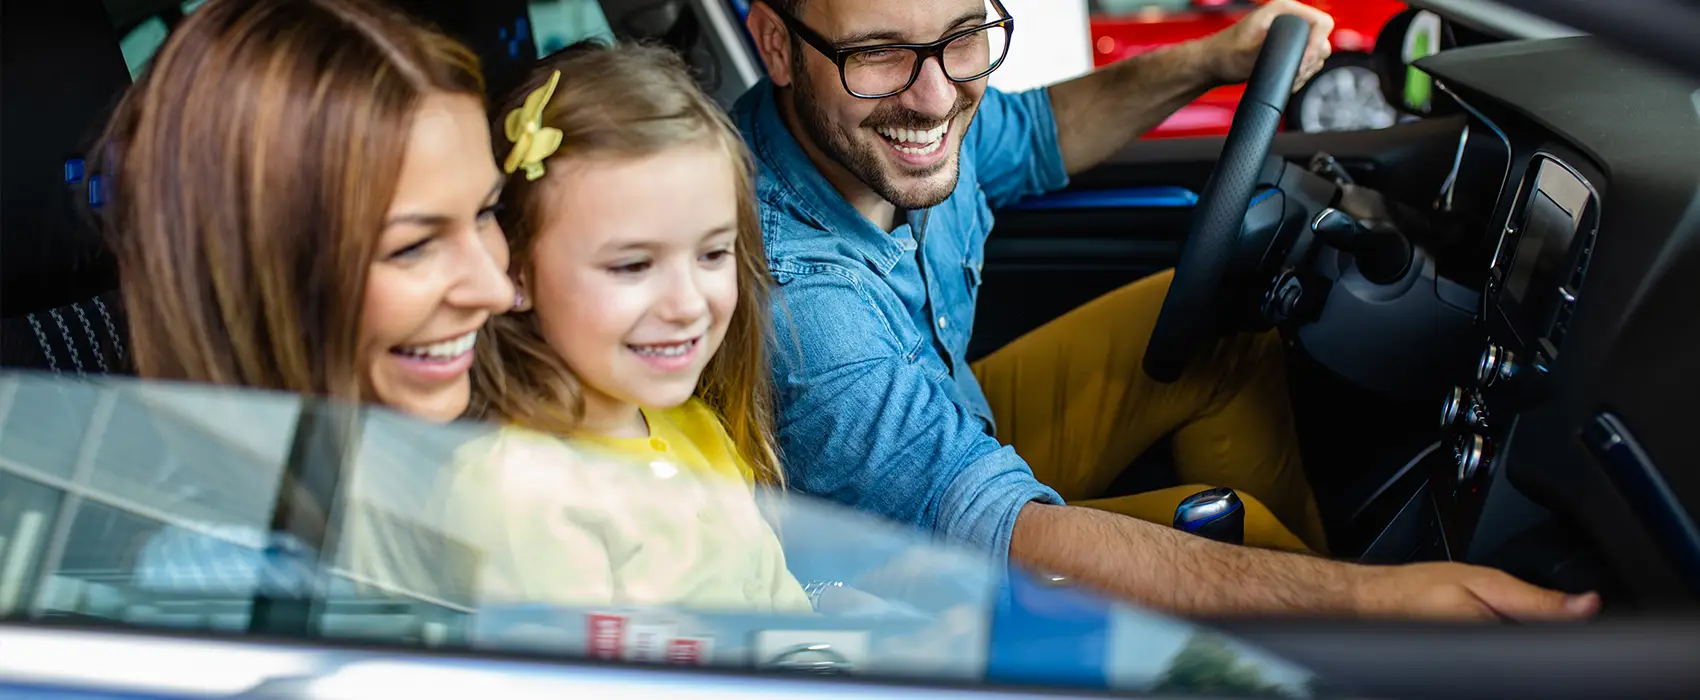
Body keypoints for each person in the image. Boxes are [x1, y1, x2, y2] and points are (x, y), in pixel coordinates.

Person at [735, 0, 1599, 619]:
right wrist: (1372, 601)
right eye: (878, 53)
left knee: (1221, 332)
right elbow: (998, 530)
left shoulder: (881, 127)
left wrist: (1212, 58)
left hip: (952, 414)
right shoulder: (805, 309)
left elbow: (1036, 134)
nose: (933, 99)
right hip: (898, 582)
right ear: (776, 44)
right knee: (1243, 537)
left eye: (962, 37)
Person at [462, 42, 812, 612]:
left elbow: (782, 617)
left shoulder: (695, 427)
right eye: (632, 265)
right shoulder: (522, 489)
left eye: (713, 254)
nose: (686, 303)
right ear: (517, 271)